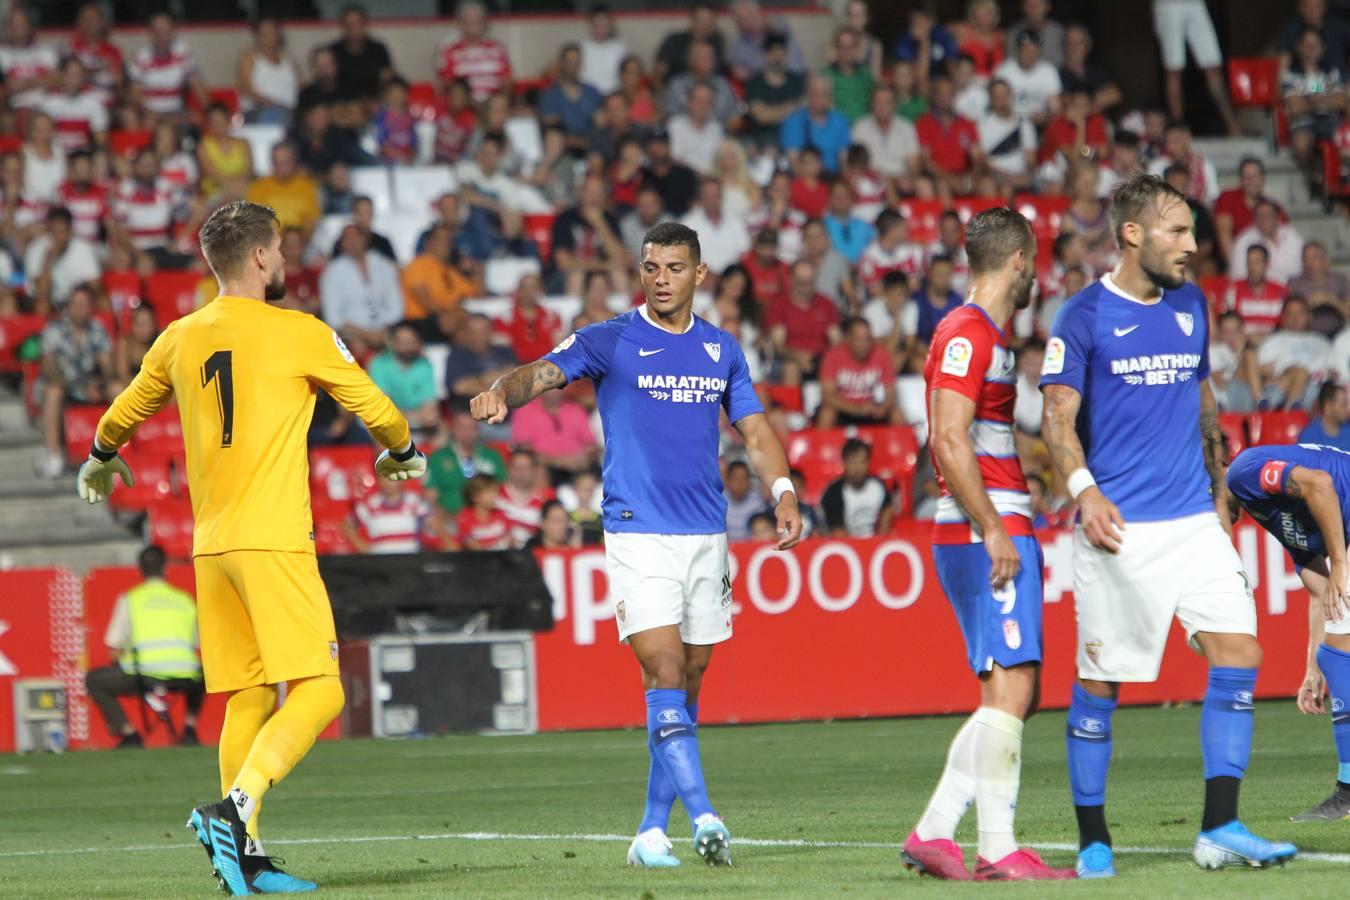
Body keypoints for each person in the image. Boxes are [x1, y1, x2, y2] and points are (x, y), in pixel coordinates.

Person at [74, 200, 425, 894]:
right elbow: (377, 408)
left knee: (249, 695)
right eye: (283, 251)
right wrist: (402, 452)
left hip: (211, 547)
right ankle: (234, 812)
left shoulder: (180, 336)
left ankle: (248, 859)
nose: (286, 263)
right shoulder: (300, 332)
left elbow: (128, 407)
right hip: (272, 539)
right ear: (262, 256)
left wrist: (99, 455)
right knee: (322, 687)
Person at [470, 221, 801, 868]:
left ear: (699, 275)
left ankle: (651, 831)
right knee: (666, 670)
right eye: (651, 267)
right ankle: (705, 817)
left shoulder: (721, 349)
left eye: (675, 268)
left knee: (689, 684)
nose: (661, 279)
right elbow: (542, 372)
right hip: (636, 528)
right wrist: (500, 394)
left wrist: (784, 492)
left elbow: (755, 431)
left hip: (707, 535)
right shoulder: (612, 339)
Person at [1039, 175, 1296, 877]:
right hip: (1119, 529)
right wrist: (1084, 493)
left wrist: (1220, 482)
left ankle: (1221, 827)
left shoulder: (1191, 304)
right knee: (1103, 683)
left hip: (1193, 521)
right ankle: (1093, 837)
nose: (1192, 245)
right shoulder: (1083, 315)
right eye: (1177, 232)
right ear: (1132, 234)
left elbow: (1200, 392)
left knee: (1240, 654)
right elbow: (1056, 418)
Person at [908, 208, 1068, 883]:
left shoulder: (976, 332)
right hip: (987, 526)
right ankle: (998, 847)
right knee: (1016, 685)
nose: (1037, 273)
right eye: (1033, 260)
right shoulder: (969, 333)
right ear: (1016, 261)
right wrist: (995, 529)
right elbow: (947, 438)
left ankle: (936, 832)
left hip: (982, 525)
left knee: (1009, 690)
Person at [1225, 441, 1350, 820]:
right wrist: (1312, 667)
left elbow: (1321, 484)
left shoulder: (1243, 472)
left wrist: (1341, 563)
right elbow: (1319, 591)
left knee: (1339, 651)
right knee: (1332, 654)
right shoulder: (1263, 508)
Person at [84, 545, 204, 749]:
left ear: (140, 568)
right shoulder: (184, 600)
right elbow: (198, 643)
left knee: (94, 680)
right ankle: (190, 728)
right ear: (166, 567)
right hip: (187, 675)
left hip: (143, 674)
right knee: (204, 674)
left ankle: (128, 733)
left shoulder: (131, 599)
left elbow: (113, 649)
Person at [38, 286, 113, 478]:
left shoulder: (97, 329)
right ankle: (54, 455)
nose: (82, 309)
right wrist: (79, 387)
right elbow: (50, 368)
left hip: (90, 384)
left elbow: (107, 365)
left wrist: (102, 383)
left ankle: (122, 451)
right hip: (63, 385)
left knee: (118, 389)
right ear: (68, 307)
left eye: (86, 305)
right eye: (77, 305)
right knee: (53, 391)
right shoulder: (53, 330)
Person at [1151, 0, 1240, 135]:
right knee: (1174, 68)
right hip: (1169, 5)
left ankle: (1232, 127)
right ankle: (1178, 130)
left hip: (1195, 5)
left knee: (1213, 66)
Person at [319, 225, 403, 357]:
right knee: (356, 348)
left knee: (405, 343)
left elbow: (396, 308)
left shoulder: (385, 266)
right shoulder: (332, 272)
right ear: (342, 244)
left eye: (356, 237)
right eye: (348, 238)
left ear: (365, 239)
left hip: (385, 332)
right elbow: (333, 317)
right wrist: (366, 335)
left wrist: (381, 333)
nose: (353, 242)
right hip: (350, 335)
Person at [817, 318, 898, 428]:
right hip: (843, 407)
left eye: (867, 339)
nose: (864, 345)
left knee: (896, 414)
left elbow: (891, 393)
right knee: (827, 413)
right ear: (848, 339)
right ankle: (823, 445)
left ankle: (901, 445)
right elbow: (828, 396)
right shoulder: (832, 356)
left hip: (871, 407)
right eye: (858, 340)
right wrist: (857, 409)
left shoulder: (882, 355)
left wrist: (883, 407)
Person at [129, 12, 207, 120]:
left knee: (196, 119)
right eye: (157, 30)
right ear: (150, 33)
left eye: (165, 30)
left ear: (173, 31)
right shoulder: (140, 56)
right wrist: (153, 114)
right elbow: (135, 96)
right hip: (150, 112)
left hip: (177, 110)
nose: (161, 34)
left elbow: (197, 86)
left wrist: (211, 111)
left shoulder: (183, 52)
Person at [1258, 296, 1332, 410]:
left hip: (1317, 390)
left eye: (1300, 313)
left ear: (1309, 316)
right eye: (1290, 314)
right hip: (1282, 389)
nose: (1295, 318)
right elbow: (1263, 374)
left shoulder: (1323, 343)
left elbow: (1333, 373)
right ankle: (1292, 409)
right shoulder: (1272, 341)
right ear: (1283, 318)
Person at [368, 322, 440, 437]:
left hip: (417, 422)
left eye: (411, 343)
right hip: (385, 423)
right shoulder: (379, 363)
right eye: (403, 343)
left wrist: (413, 416)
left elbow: (429, 409)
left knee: (441, 432)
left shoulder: (424, 365)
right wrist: (413, 416)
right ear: (393, 343)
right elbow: (384, 408)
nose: (408, 348)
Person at [437, 0, 512, 102]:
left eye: (477, 22)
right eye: (469, 22)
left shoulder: (497, 49)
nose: (473, 26)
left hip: (492, 106)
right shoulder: (451, 51)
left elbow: (506, 81)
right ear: (460, 23)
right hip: (465, 106)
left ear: (484, 23)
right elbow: (445, 86)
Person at [821, 439, 894, 538]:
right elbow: (838, 533)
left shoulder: (878, 486)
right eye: (852, 462)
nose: (857, 468)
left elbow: (887, 511)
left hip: (876, 543)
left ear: (868, 462)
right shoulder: (834, 493)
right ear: (844, 463)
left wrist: (879, 541)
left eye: (861, 462)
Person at [780, 75, 852, 174]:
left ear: (830, 96)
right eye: (815, 94)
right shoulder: (793, 122)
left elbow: (844, 160)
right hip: (805, 180)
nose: (819, 98)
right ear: (807, 95)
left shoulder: (840, 122)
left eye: (824, 94)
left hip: (833, 179)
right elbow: (794, 163)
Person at [346, 476, 435, 553]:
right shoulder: (370, 504)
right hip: (381, 564)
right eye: (383, 477)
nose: (387, 482)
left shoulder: (415, 502)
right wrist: (363, 547)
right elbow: (346, 526)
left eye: (391, 478)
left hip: (410, 562)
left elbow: (433, 523)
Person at [326, 3, 393, 105]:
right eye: (349, 24)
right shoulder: (333, 51)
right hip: (341, 107)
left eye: (358, 24)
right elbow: (325, 84)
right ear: (343, 26)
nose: (354, 28)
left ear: (365, 25)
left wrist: (381, 102)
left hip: (373, 105)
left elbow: (388, 80)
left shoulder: (378, 49)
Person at [237, 17, 300, 125]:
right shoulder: (249, 58)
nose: (269, 36)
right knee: (277, 116)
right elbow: (246, 89)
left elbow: (299, 87)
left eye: (273, 32)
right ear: (256, 35)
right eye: (264, 33)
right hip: (259, 111)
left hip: (290, 110)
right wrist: (275, 104)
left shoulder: (288, 59)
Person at [1230, 200, 1306, 285]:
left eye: (1268, 215)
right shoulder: (1243, 242)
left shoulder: (1292, 237)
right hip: (1261, 295)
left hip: (1295, 291)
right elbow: (1239, 279)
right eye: (1259, 216)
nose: (1263, 220)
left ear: (1278, 218)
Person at [1226, 245, 1287, 337]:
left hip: (1275, 344)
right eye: (1249, 262)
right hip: (1242, 344)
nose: (1252, 267)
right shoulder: (1233, 290)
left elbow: (1286, 325)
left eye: (1257, 262)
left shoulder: (1281, 292)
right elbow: (1228, 324)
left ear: (1266, 264)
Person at [458, 473, 514, 550]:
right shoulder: (464, 518)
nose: (495, 496)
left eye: (496, 492)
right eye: (490, 492)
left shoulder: (501, 514)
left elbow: (510, 539)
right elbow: (474, 546)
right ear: (475, 496)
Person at [1298, 383, 1350, 451]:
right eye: (1343, 405)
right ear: (1328, 406)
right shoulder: (1309, 436)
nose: (1347, 409)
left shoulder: (1348, 430)